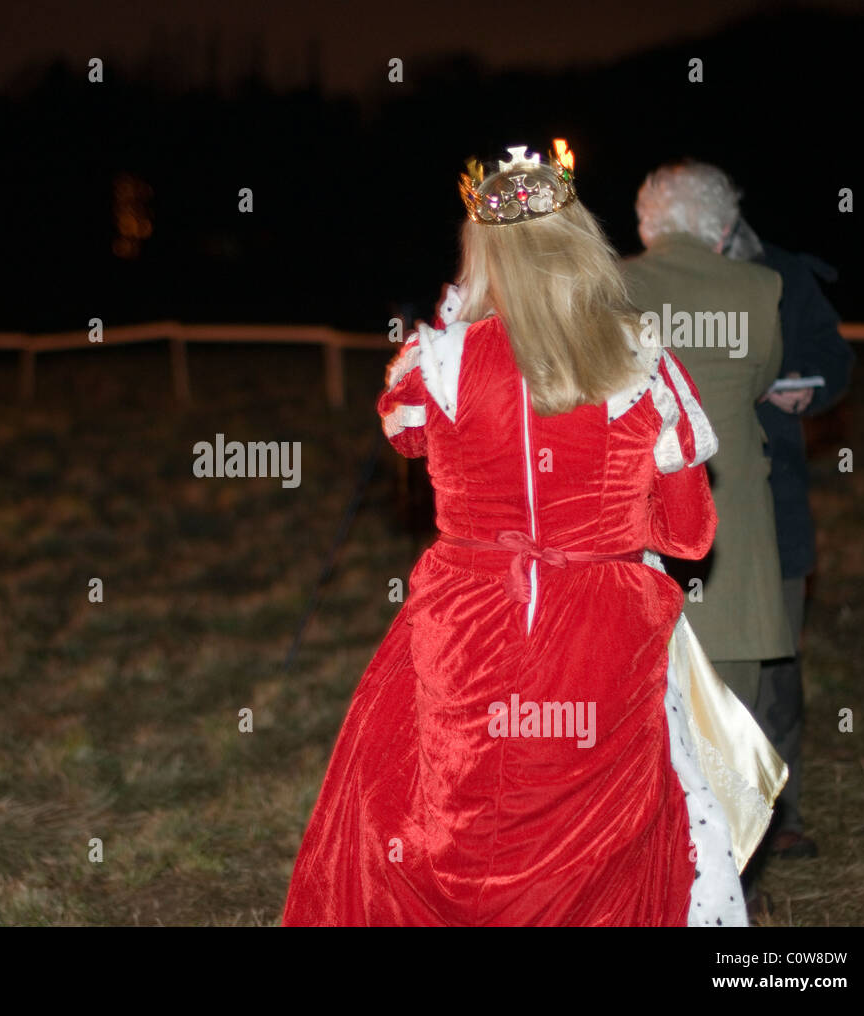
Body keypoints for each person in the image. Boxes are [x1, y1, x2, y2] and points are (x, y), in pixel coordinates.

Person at [282, 142, 755, 926]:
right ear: (581, 241)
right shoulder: (640, 355)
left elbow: (403, 437)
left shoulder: (437, 358)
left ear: (480, 250)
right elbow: (689, 534)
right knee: (608, 828)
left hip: (466, 619)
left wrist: (462, 310)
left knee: (442, 811)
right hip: (600, 625)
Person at [622, 163, 796, 713]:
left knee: (636, 734)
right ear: (724, 231)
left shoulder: (609, 286)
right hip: (731, 531)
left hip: (634, 527)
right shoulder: (761, 287)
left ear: (647, 226)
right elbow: (762, 380)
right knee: (729, 736)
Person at [726, 217, 855, 861]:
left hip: (775, 511)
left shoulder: (783, 273)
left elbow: (834, 356)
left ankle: (781, 818)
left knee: (777, 668)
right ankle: (692, 819)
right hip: (679, 512)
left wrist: (812, 387)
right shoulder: (652, 280)